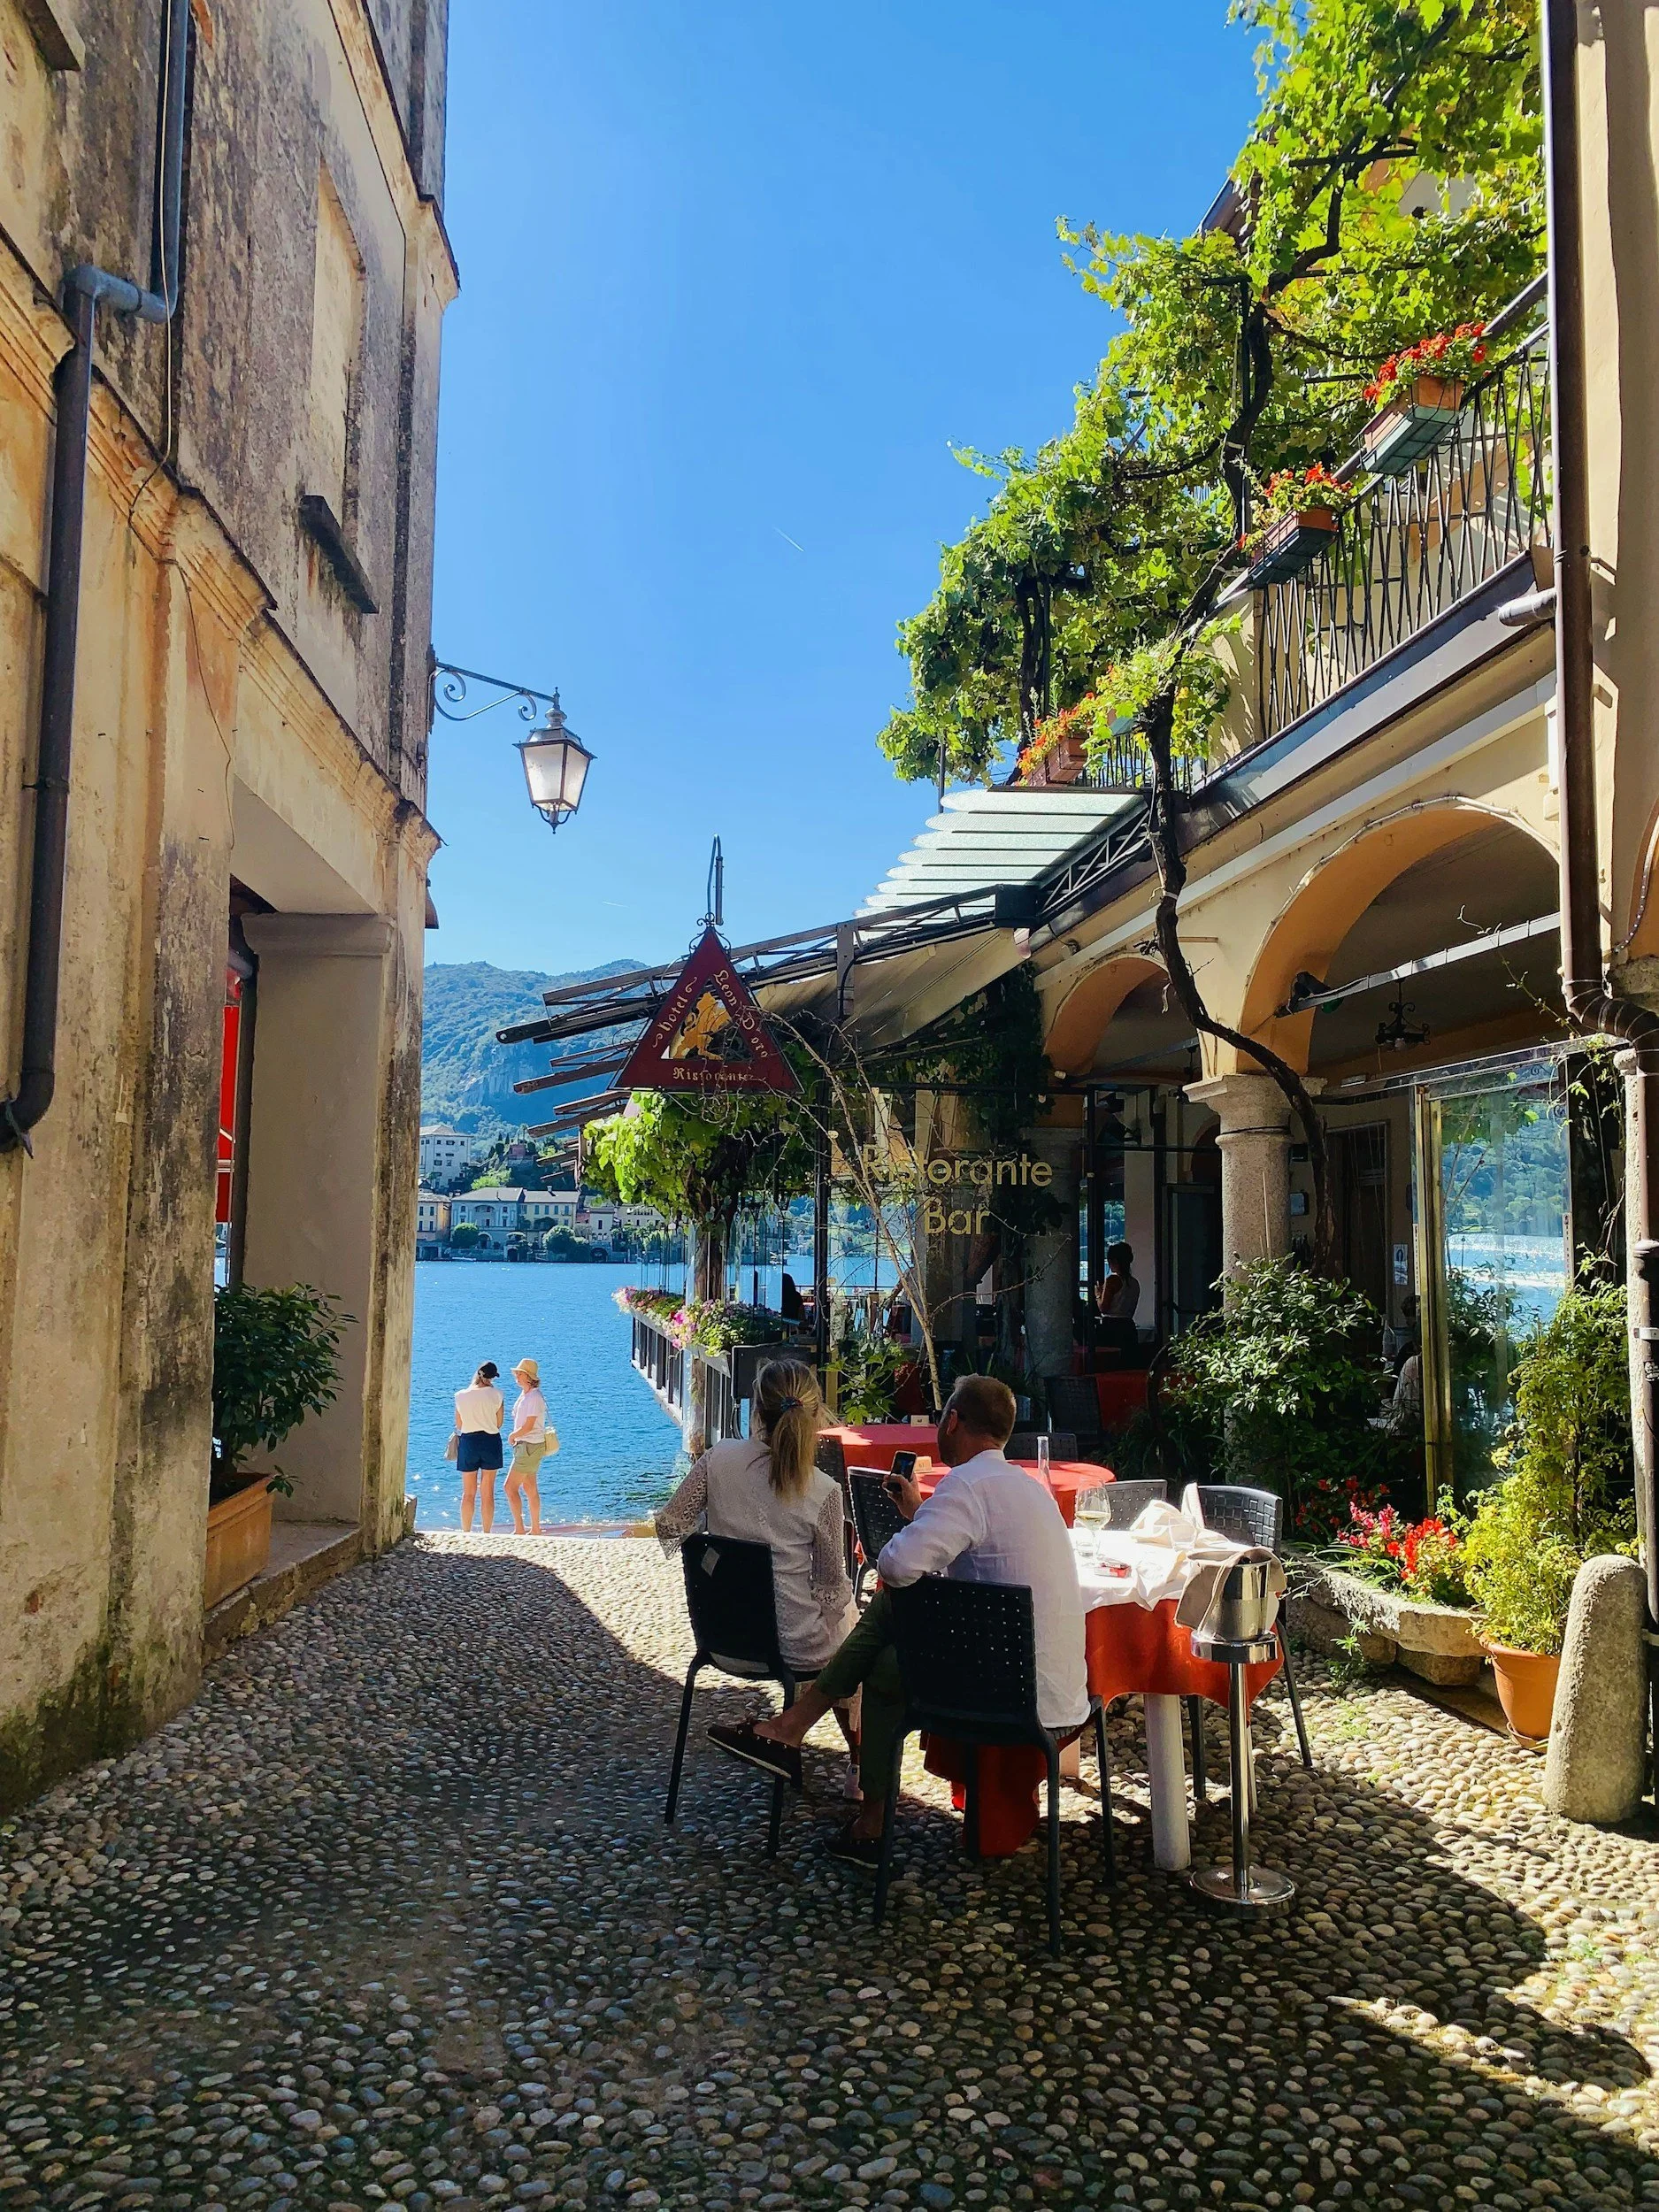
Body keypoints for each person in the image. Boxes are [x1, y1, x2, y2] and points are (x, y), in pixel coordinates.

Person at [733, 1373, 1088, 1866]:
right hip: (1057, 1692)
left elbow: (895, 1567)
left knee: (885, 1652)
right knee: (891, 1627)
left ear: (953, 1421)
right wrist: (922, 1517)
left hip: (1005, 1696)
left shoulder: (965, 1487)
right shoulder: (1027, 1489)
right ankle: (809, 1743)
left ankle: (857, 1804)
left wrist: (918, 1524)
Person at [656, 1360, 862, 1796]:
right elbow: (830, 1589)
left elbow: (672, 1525)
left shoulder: (719, 1460)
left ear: (757, 1407)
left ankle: (794, 1738)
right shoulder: (822, 1490)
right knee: (857, 1642)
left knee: (848, 1635)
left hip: (723, 1633)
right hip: (793, 1646)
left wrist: (715, 1560)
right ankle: (860, 1769)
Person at [454, 1362, 504, 1532]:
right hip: (491, 1441)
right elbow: (499, 1423)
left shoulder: (460, 1395)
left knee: (468, 1492)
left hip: (469, 1441)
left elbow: (459, 1424)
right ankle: (487, 1532)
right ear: (491, 1377)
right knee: (487, 1490)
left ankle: (466, 1531)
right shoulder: (497, 1394)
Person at [504, 1356, 553, 1536]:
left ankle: (519, 1528)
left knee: (510, 1487)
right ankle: (535, 1528)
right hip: (528, 1446)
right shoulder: (526, 1394)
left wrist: (514, 1435)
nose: (516, 1376)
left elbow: (529, 1424)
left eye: (519, 1374)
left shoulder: (533, 1397)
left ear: (527, 1376)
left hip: (529, 1446)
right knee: (530, 1487)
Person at [1093, 1241, 1141, 1323]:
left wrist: (1098, 1295)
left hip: (1112, 1326)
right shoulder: (1134, 1283)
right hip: (1128, 1324)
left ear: (1114, 1261)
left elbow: (1103, 1308)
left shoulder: (1112, 1280)